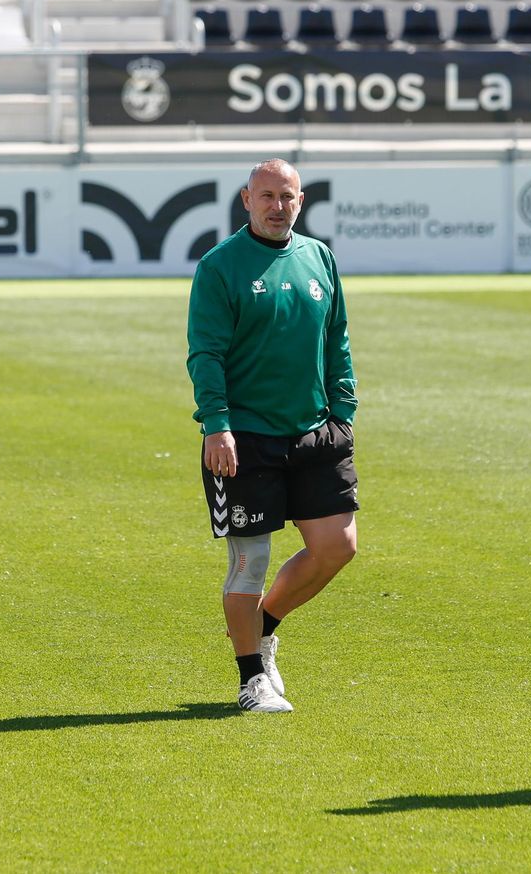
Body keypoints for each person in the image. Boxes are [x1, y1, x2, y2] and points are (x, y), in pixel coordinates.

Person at [186, 158, 358, 714]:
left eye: (287, 197)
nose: (277, 206)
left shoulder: (319, 257)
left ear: (301, 201)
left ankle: (262, 630)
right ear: (246, 200)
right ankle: (251, 679)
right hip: (245, 439)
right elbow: (205, 353)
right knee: (250, 563)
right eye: (267, 196)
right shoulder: (220, 266)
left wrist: (344, 410)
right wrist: (217, 425)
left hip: (315, 430)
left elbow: (337, 339)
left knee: (337, 547)